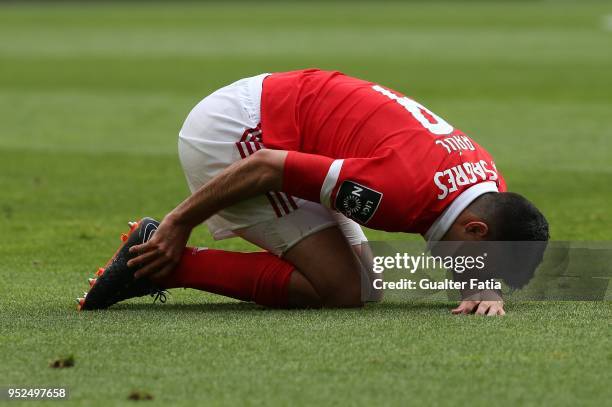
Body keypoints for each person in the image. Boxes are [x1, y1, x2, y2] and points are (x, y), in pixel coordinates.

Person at [79, 69, 549, 316]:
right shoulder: (394, 191)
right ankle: (162, 260)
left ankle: (165, 255)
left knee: (366, 285)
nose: (459, 271)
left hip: (285, 121)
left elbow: (482, 233)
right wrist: (179, 222)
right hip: (242, 133)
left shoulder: (488, 185)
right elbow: (265, 167)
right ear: (476, 227)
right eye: (472, 262)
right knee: (341, 288)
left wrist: (485, 285)